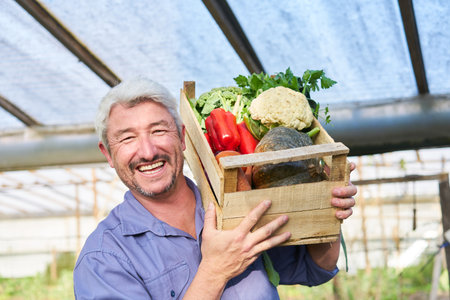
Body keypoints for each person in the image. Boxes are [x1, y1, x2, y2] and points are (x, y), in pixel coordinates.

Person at [73, 77, 357, 299]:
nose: (147, 151)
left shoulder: (238, 200)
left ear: (183, 137)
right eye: (127, 138)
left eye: (159, 131)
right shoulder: (103, 258)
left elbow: (313, 267)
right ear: (108, 154)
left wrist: (327, 206)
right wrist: (215, 271)